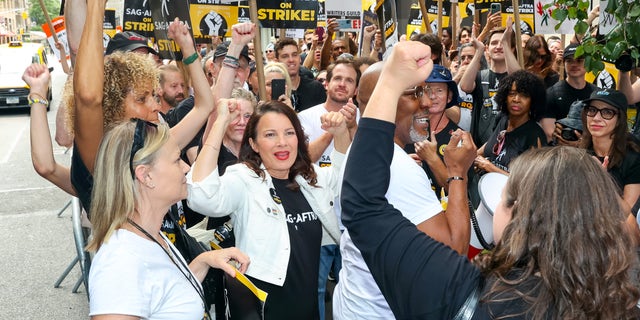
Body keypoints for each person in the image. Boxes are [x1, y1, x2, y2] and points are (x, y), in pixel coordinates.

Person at [340, 41, 640, 319]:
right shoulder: (618, 305)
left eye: (507, 197)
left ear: (521, 220)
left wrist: (392, 83)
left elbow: (363, 207)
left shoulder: (461, 292)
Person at [333, 60, 474, 320]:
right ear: (382, 102)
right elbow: (453, 253)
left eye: (425, 92)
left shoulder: (368, 153)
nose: (426, 103)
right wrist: (457, 173)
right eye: (413, 93)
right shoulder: (396, 166)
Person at [188, 100, 349, 319]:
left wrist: (340, 133)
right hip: (263, 308)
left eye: (289, 133)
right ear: (254, 144)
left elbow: (342, 179)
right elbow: (201, 195)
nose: (282, 143)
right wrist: (220, 122)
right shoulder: (244, 179)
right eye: (270, 135)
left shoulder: (309, 179)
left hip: (308, 307)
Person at [87, 119, 250, 319]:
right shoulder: (120, 263)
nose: (186, 168)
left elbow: (166, 298)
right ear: (145, 176)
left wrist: (204, 261)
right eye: (176, 160)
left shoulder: (149, 234)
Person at [578, 88, 640, 242]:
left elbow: (628, 215)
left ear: (619, 119)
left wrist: (603, 181)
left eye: (607, 112)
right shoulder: (579, 154)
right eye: (592, 110)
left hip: (614, 241)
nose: (596, 118)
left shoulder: (633, 159)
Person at [474, 70, 546, 175]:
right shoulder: (502, 119)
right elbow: (491, 144)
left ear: (533, 101)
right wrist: (473, 158)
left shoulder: (535, 135)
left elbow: (529, 182)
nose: (516, 99)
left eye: (524, 96)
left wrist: (489, 167)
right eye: (512, 94)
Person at [542, 43, 597, 144]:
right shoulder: (551, 94)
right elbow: (549, 133)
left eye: (579, 60)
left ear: (588, 63)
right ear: (563, 63)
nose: (574, 64)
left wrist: (584, 143)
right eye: (569, 60)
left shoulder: (596, 94)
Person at [275, 38, 327, 112]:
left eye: (294, 55)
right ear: (277, 61)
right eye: (285, 56)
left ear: (299, 58)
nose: (291, 60)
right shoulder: (273, 90)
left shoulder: (316, 88)